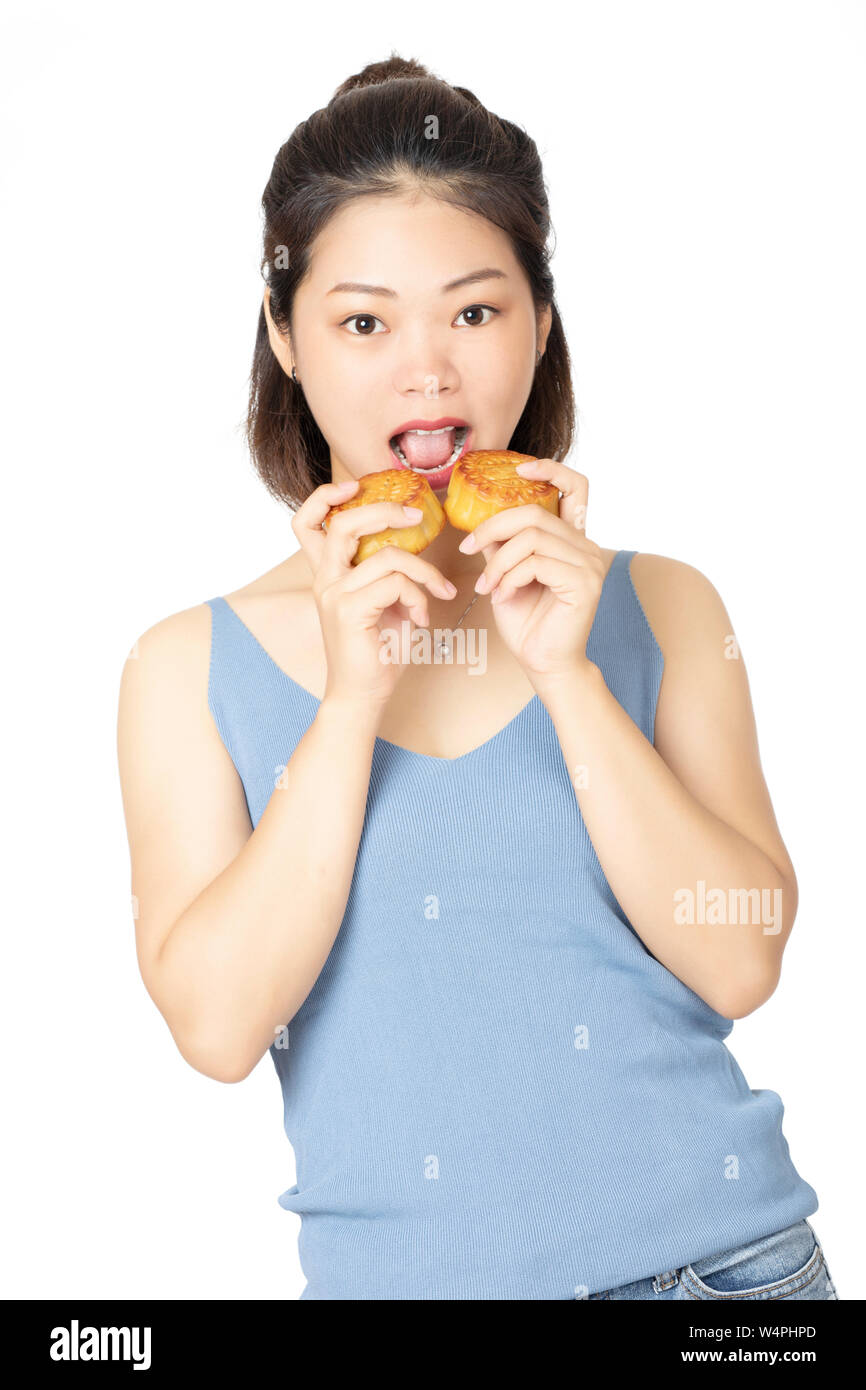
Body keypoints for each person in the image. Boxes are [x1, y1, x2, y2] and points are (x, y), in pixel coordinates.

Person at [116, 54, 838, 1301]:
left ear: (538, 323)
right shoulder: (187, 666)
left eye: (473, 309)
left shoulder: (661, 604)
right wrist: (350, 702)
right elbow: (218, 1029)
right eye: (362, 320)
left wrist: (568, 676)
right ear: (285, 341)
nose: (428, 370)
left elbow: (741, 963)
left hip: (726, 1285)